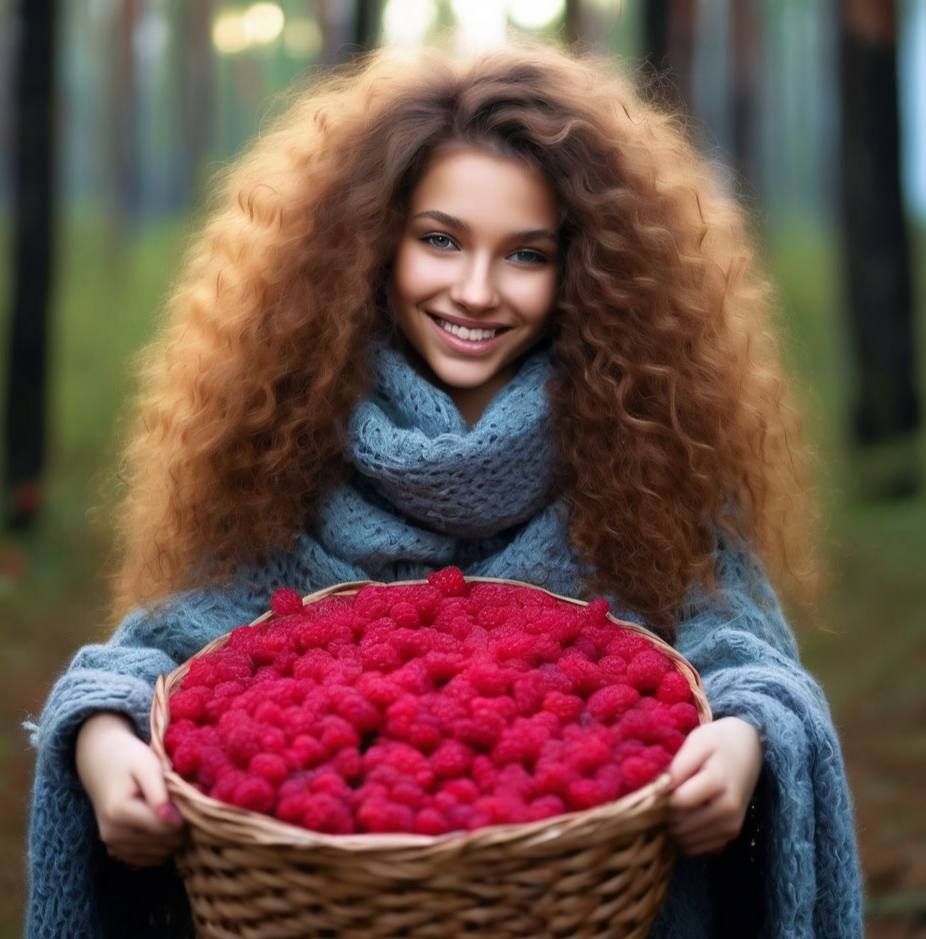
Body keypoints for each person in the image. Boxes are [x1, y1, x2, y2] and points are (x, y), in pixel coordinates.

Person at [25, 42, 862, 938]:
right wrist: (106, 747)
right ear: (370, 244)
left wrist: (742, 744)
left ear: (582, 269)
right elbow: (158, 653)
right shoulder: (280, 447)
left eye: (526, 255)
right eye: (440, 239)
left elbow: (748, 660)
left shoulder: (650, 453)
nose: (475, 290)